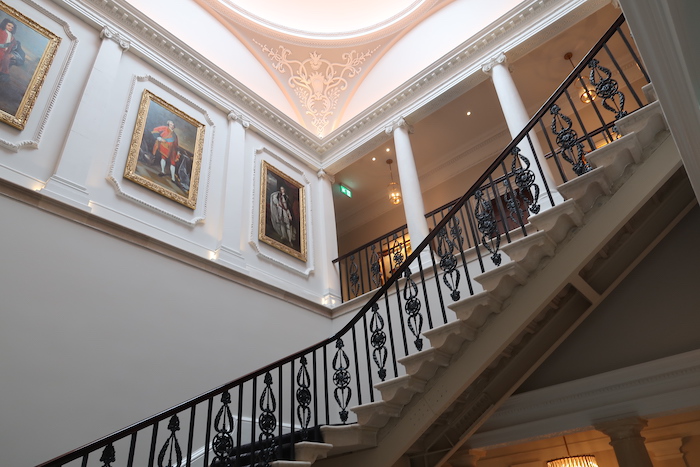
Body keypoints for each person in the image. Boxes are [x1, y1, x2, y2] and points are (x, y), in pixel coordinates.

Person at [0, 19, 23, 84]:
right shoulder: (1, 32)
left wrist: (12, 54)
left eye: (12, 27)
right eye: (9, 25)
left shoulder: (13, 38)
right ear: (5, 25)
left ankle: (3, 75)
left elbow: (13, 47)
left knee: (7, 58)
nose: (10, 28)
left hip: (6, 53)